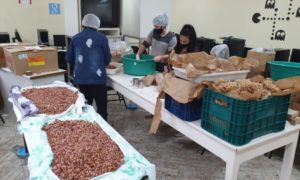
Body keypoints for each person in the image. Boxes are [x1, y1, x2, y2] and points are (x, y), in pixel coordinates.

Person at [65, 13, 111, 121]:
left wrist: (81, 65)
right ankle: (104, 131)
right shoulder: (102, 38)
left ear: (83, 24)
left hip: (82, 80)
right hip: (98, 80)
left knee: (85, 108)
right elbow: (107, 60)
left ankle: (88, 130)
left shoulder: (75, 38)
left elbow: (68, 59)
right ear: (96, 25)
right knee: (102, 109)